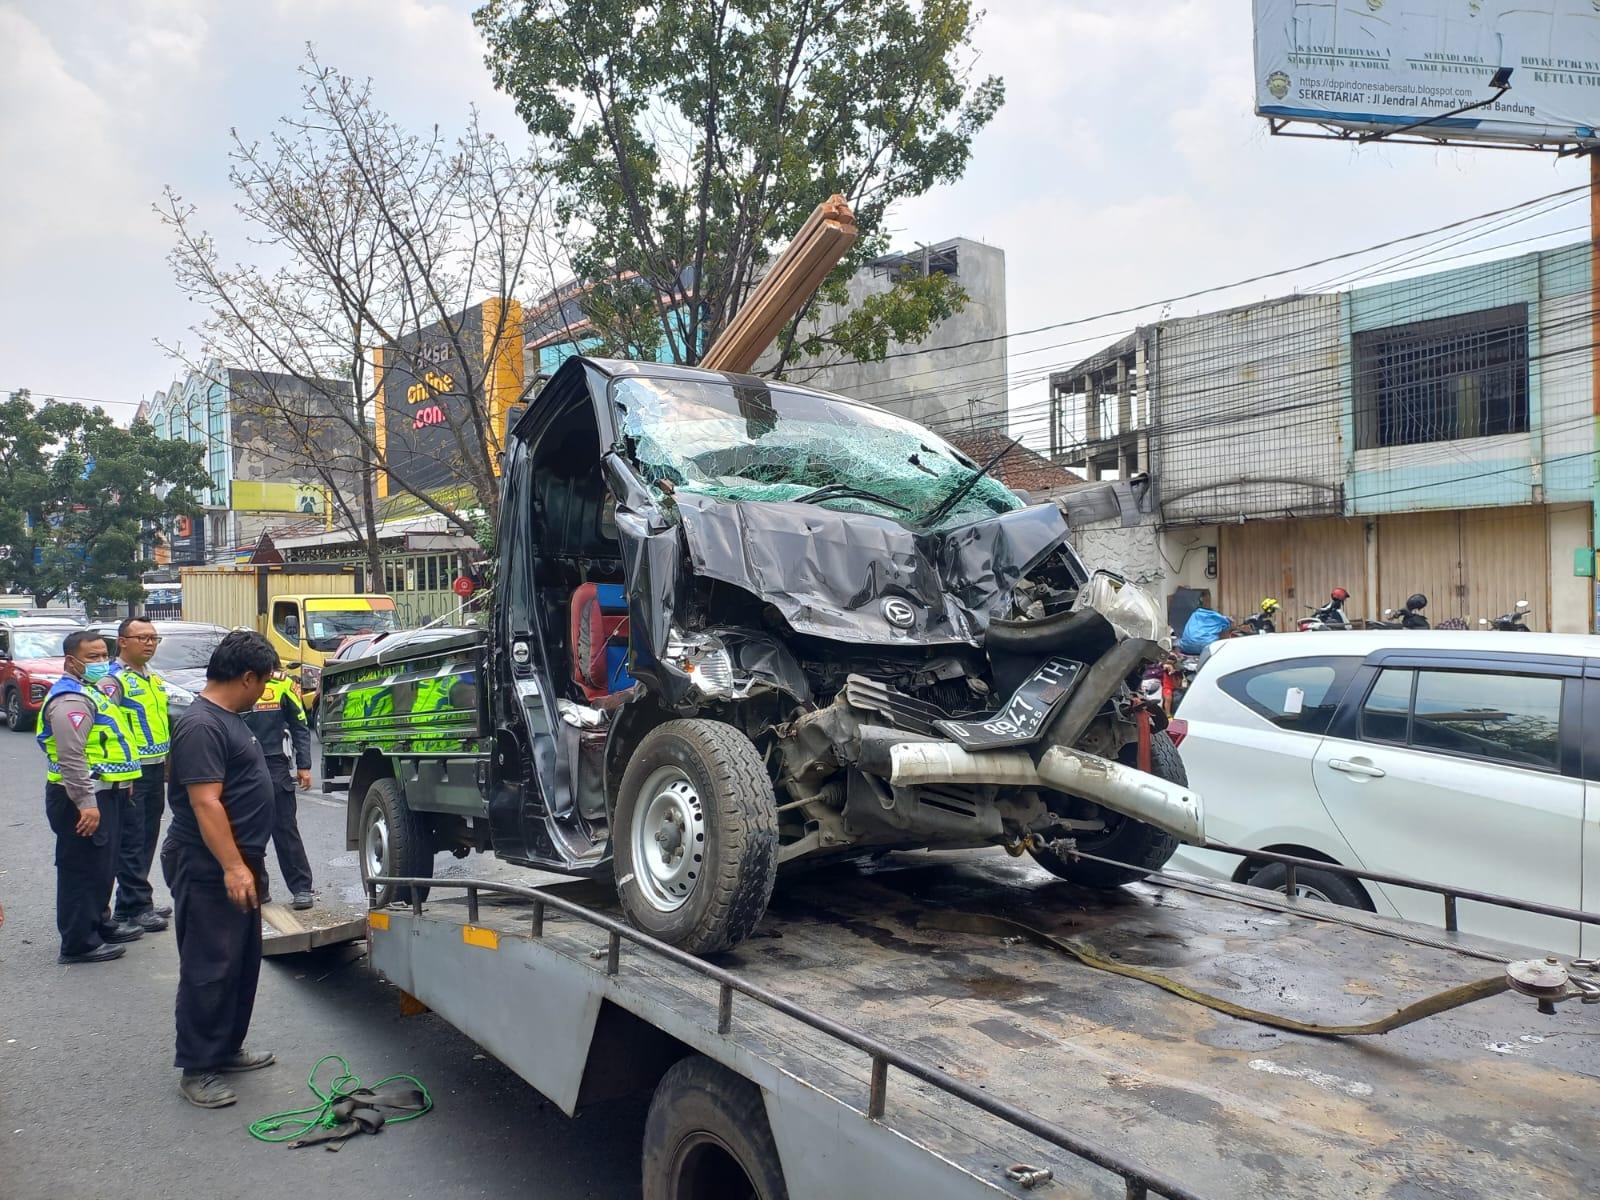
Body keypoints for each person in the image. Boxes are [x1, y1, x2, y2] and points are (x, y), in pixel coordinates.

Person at [161, 630, 279, 1108]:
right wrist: (232, 867)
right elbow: (205, 802)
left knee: (240, 961)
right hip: (209, 864)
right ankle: (198, 1067)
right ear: (247, 677)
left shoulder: (229, 717)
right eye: (264, 681)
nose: (265, 690)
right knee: (210, 964)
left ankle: (226, 1047)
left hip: (239, 860)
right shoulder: (202, 726)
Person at [38, 630, 146, 964]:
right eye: (92, 658)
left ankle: (99, 922)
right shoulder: (70, 699)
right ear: (71, 661)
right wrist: (86, 803)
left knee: (102, 865)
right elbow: (72, 757)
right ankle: (79, 942)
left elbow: (107, 745)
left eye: (104, 655)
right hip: (80, 798)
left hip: (105, 792)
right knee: (81, 870)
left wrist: (122, 780)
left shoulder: (91, 691)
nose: (101, 662)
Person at [107, 616, 174, 932]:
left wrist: (168, 762)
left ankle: (128, 904)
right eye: (142, 637)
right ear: (122, 641)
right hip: (131, 773)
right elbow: (107, 727)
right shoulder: (115, 681)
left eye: (153, 638)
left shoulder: (152, 678)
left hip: (155, 767)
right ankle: (137, 905)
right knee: (132, 840)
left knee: (146, 837)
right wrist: (125, 771)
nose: (149, 643)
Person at [243, 667, 315, 909]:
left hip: (275, 762)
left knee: (285, 829)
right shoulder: (231, 682)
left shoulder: (282, 683)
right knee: (247, 832)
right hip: (241, 764)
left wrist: (304, 765)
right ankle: (257, 889)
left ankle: (302, 888)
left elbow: (300, 724)